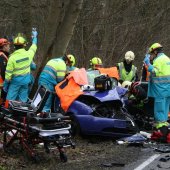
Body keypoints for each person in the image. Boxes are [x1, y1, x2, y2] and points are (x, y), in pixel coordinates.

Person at [144, 43, 170, 141]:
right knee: (165, 112)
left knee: (159, 113)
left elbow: (155, 71)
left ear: (155, 51)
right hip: (168, 91)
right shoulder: (167, 59)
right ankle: (165, 133)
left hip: (160, 91)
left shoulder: (158, 60)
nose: (151, 55)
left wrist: (148, 64)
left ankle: (162, 134)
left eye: (152, 53)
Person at [3, 29, 38, 102]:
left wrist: (5, 86)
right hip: (25, 82)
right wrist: (35, 37)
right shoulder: (29, 54)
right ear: (24, 45)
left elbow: (8, 75)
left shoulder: (12, 58)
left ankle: (7, 112)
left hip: (15, 83)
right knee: (22, 101)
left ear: (14, 46)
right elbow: (34, 46)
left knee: (9, 100)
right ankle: (21, 112)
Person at [0, 38, 10, 105]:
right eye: (8, 46)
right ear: (4, 46)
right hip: (1, 85)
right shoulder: (2, 57)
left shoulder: (3, 55)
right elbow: (3, 71)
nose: (9, 47)